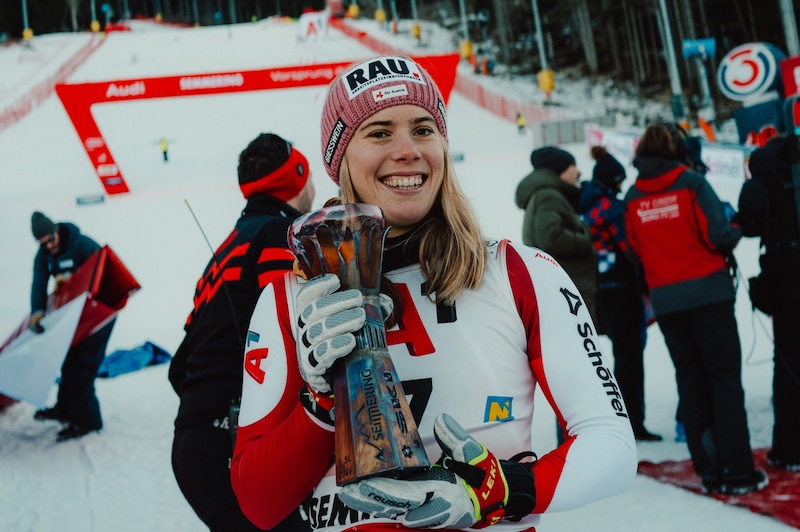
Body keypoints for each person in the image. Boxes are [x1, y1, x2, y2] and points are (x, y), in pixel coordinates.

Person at [231, 55, 636, 532]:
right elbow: (258, 502)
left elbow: (610, 443)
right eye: (379, 132)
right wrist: (321, 402)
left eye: (424, 129)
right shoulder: (293, 295)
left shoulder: (520, 271)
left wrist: (497, 490)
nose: (408, 150)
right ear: (340, 160)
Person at [168, 133, 315, 531]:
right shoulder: (283, 237)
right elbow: (300, 333)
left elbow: (179, 367)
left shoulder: (222, 253)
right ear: (297, 176)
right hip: (240, 449)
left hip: (193, 446)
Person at [624, 122, 767, 494]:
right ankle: (737, 471)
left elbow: (633, 250)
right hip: (709, 295)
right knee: (723, 380)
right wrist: (736, 227)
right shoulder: (691, 183)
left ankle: (709, 470)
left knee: (690, 381)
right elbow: (718, 235)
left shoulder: (632, 196)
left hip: (667, 300)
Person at [578, 145, 661, 442]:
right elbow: (630, 249)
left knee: (620, 355)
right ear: (613, 180)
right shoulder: (612, 208)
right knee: (629, 358)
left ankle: (624, 418)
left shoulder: (588, 206)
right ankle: (633, 422)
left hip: (603, 288)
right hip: (624, 287)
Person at [736, 134, 800, 472]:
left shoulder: (764, 172)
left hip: (785, 278)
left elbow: (747, 222)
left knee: (788, 363)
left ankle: (790, 449)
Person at [29, 211, 115, 443]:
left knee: (83, 368)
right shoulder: (44, 255)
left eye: (50, 240)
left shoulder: (82, 245)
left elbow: (108, 272)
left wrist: (83, 287)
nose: (48, 245)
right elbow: (39, 281)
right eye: (42, 243)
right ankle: (65, 410)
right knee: (68, 363)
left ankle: (89, 421)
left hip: (99, 315)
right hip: (75, 318)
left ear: (57, 231)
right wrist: (37, 312)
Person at [515, 145, 600, 329]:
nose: (578, 171)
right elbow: (550, 236)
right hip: (568, 291)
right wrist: (586, 239)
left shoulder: (548, 194)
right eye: (573, 166)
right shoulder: (549, 196)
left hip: (563, 289)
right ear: (560, 170)